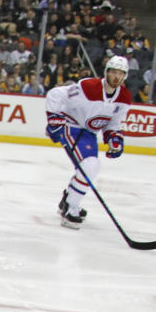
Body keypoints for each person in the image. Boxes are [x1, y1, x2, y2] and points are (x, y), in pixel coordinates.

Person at [45, 54, 130, 229]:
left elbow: (114, 122)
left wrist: (114, 138)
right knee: (90, 165)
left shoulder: (125, 98)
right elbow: (55, 94)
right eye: (113, 72)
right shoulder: (88, 87)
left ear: (125, 76)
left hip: (89, 133)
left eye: (120, 73)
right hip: (70, 126)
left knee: (89, 168)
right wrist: (54, 120)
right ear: (106, 72)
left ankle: (68, 201)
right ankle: (71, 209)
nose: (116, 76)